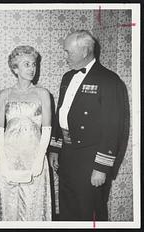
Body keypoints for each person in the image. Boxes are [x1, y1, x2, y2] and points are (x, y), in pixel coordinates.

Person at [48, 30, 130, 221]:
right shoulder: (67, 78)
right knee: (68, 208)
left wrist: (101, 167)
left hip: (91, 159)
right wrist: (55, 147)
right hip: (67, 156)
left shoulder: (109, 81)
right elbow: (61, 113)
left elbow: (114, 128)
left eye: (68, 51)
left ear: (84, 51)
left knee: (90, 212)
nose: (65, 56)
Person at [0, 45, 52, 221]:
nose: (32, 68)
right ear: (15, 68)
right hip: (8, 157)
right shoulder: (5, 94)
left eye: (33, 64)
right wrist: (1, 161)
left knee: (33, 207)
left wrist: (39, 160)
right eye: (26, 64)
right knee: (8, 207)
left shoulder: (42, 93)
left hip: (34, 157)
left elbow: (47, 129)